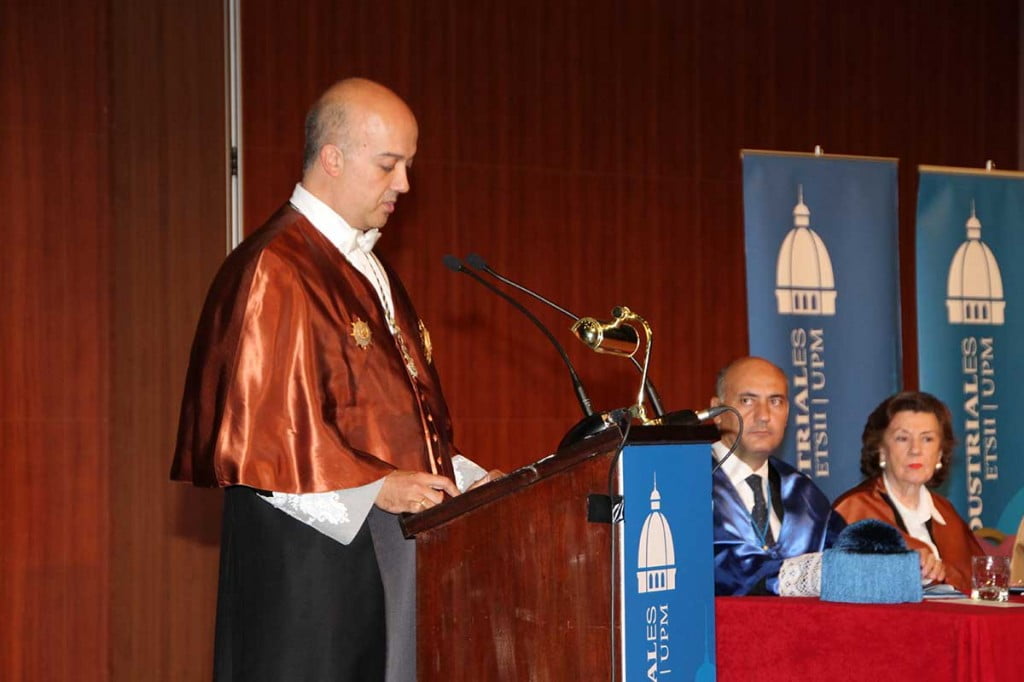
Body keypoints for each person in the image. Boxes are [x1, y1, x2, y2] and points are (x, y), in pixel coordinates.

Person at [170, 78, 498, 682]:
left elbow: (386, 420)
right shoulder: (277, 268)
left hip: (384, 557)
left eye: (407, 165)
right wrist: (377, 489)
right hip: (309, 577)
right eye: (389, 164)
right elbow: (266, 439)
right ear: (333, 158)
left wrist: (472, 480)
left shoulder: (367, 267)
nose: (404, 183)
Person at [709, 356, 845, 595]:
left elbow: (848, 550)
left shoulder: (802, 492)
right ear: (717, 411)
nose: (763, 415)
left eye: (775, 401)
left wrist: (903, 559)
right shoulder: (686, 484)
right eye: (747, 400)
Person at [833, 391, 983, 594]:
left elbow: (979, 587)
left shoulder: (948, 515)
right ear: (881, 450)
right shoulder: (853, 509)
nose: (916, 450)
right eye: (903, 438)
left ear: (940, 453)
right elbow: (838, 586)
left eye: (927, 439)